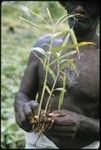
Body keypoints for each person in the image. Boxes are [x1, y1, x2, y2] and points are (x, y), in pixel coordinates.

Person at [14, 0, 100, 149]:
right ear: (66, 6)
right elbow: (23, 93)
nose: (79, 8)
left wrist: (81, 123)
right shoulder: (44, 45)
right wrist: (23, 108)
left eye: (88, 2)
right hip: (38, 142)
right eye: (74, 1)